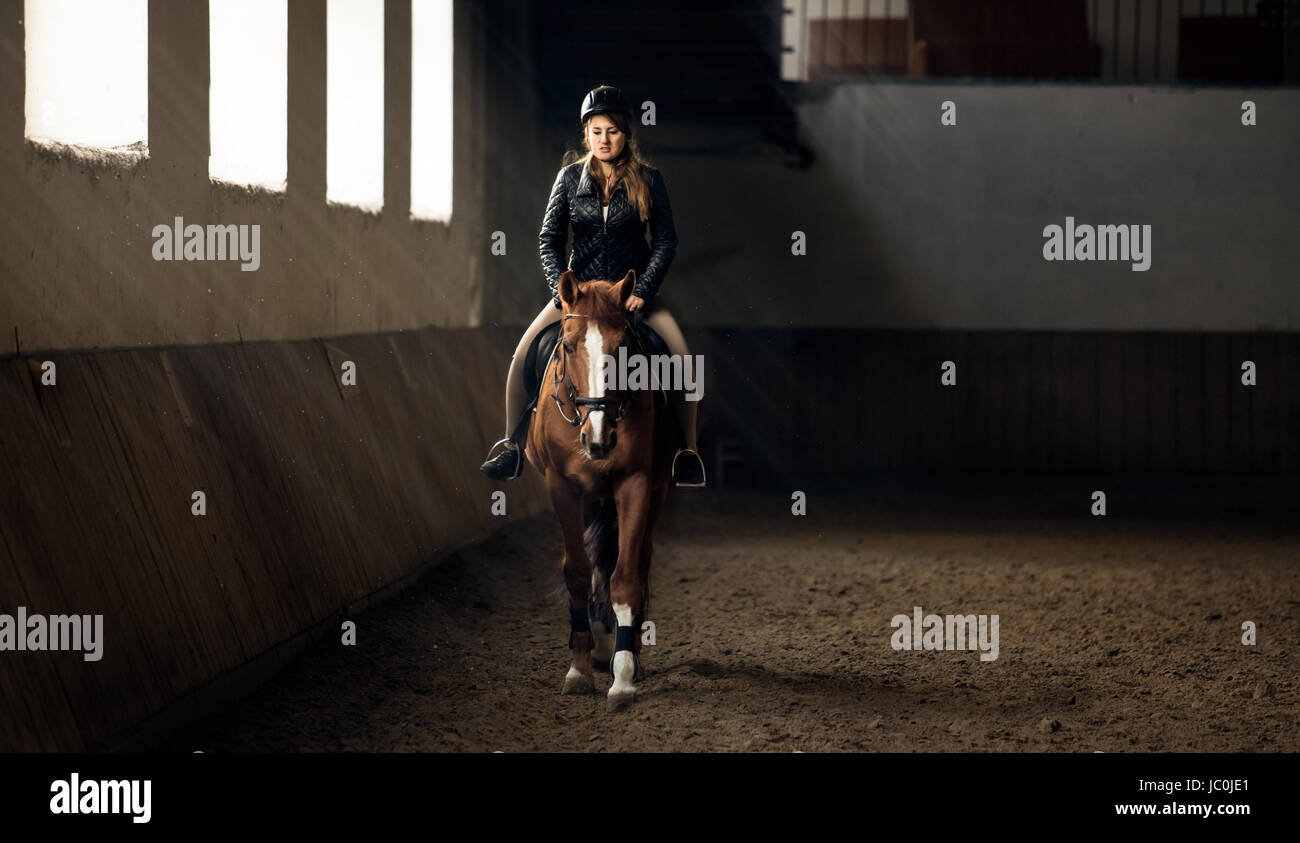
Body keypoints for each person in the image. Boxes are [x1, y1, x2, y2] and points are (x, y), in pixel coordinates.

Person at [479, 85, 706, 487]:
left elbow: (666, 240)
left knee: (682, 359)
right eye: (596, 131)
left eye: (613, 131)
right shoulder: (567, 180)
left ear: (626, 135)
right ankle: (512, 447)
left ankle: (686, 452)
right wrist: (561, 293)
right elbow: (548, 239)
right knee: (521, 356)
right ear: (586, 134)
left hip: (630, 295)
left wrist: (644, 289)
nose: (604, 139)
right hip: (579, 297)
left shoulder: (649, 181)